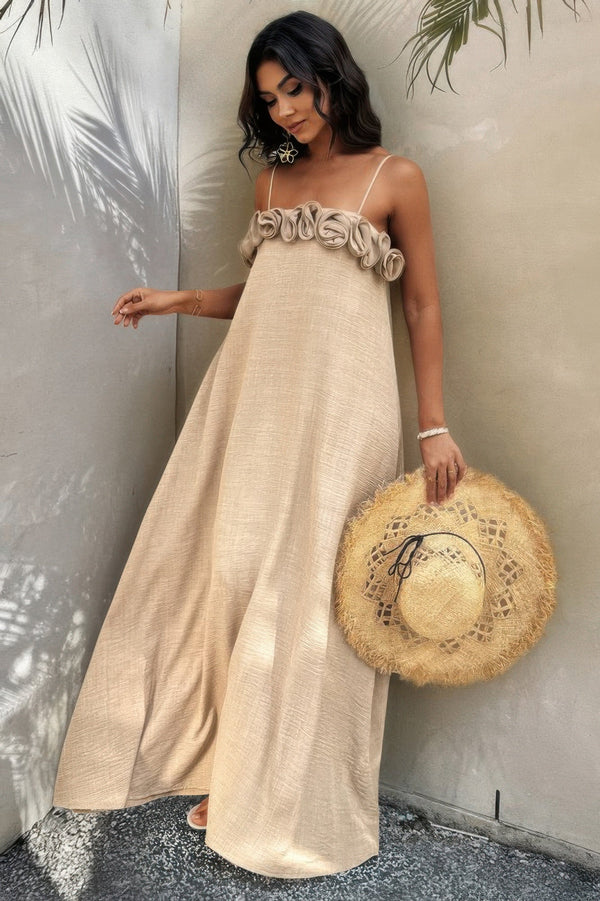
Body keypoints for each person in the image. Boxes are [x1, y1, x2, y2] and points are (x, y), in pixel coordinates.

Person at [53, 10, 466, 879]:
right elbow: (269, 291)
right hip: (257, 395)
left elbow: (423, 304)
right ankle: (237, 766)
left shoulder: (394, 177)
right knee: (238, 569)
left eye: (295, 89)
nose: (284, 110)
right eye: (269, 99)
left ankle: (290, 797)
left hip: (346, 408)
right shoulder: (273, 183)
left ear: (332, 76)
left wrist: (433, 424)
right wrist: (175, 300)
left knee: (317, 592)